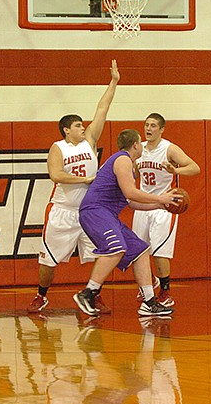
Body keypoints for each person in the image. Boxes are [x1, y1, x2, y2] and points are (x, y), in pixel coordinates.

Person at [28, 60, 120, 314]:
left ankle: (93, 294)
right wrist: (84, 180)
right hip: (63, 210)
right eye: (78, 125)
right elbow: (55, 174)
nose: (83, 127)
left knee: (103, 253)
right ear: (66, 130)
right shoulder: (58, 148)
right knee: (49, 261)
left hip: (90, 211)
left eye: (82, 124)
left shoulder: (90, 141)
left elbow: (102, 108)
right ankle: (41, 294)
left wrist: (113, 82)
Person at [73, 129, 179, 317]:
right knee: (116, 247)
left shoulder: (125, 164)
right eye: (141, 143)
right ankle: (88, 293)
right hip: (95, 211)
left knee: (140, 250)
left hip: (106, 214)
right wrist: (160, 196)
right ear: (136, 145)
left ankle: (149, 301)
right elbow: (131, 192)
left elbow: (131, 202)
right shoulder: (122, 159)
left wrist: (160, 205)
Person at [132, 113, 200, 306]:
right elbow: (135, 172)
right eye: (146, 125)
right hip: (143, 204)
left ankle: (165, 292)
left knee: (160, 253)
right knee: (136, 252)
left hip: (164, 206)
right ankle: (149, 282)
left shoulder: (169, 149)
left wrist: (175, 171)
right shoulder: (139, 148)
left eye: (153, 126)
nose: (148, 129)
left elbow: (195, 168)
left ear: (161, 129)